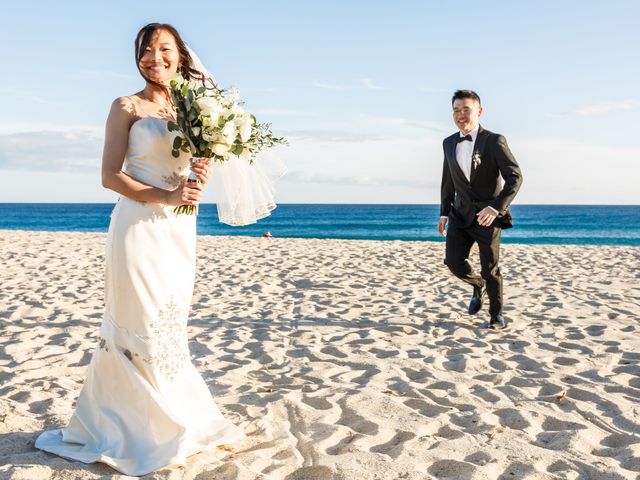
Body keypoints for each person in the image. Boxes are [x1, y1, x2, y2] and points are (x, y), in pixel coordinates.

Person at [35, 23, 244, 475]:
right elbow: (110, 176)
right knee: (138, 319)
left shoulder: (195, 108)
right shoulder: (125, 106)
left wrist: (196, 176)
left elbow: (187, 169)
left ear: (180, 55)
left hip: (178, 230)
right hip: (137, 226)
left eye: (164, 49)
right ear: (137, 56)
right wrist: (167, 196)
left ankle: (173, 416)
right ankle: (130, 427)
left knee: (169, 321)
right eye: (147, 50)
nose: (155, 57)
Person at [438, 89, 522, 330]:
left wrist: (496, 208)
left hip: (488, 218)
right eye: (456, 110)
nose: (461, 115)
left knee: (491, 268)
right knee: (453, 262)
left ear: (479, 111)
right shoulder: (448, 143)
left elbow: (515, 177)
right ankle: (477, 285)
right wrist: (444, 212)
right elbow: (448, 181)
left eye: (466, 109)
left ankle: (496, 315)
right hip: (459, 215)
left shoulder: (494, 141)